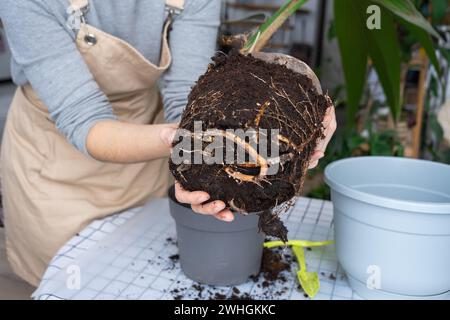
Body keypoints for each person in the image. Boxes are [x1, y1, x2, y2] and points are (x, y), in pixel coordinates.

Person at [0, 0, 336, 286]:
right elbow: (83, 118)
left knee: (129, 272)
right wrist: (188, 143)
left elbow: (185, 98)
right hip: (57, 164)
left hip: (145, 144)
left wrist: (301, 109)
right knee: (71, 281)